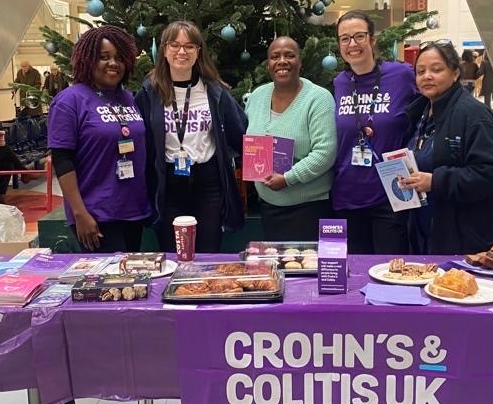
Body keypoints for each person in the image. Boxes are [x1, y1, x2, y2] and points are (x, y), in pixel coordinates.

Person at [135, 20, 247, 253]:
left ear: (198, 52)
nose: (181, 52)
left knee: (208, 252)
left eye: (189, 46)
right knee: (174, 252)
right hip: (168, 185)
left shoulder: (215, 91)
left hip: (208, 184)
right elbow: (140, 143)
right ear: (164, 50)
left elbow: (241, 134)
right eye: (174, 45)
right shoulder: (149, 92)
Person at [397, 40, 493, 254]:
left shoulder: (474, 115)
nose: (427, 76)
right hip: (426, 232)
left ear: (456, 73)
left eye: (437, 69)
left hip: (465, 241)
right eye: (420, 71)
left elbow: (492, 172)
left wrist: (436, 181)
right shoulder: (421, 112)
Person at [47, 26, 152, 252]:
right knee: (111, 282)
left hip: (132, 209)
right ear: (88, 60)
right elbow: (62, 159)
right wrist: (79, 213)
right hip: (95, 213)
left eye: (119, 57)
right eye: (104, 57)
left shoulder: (127, 97)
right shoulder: (69, 101)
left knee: (130, 279)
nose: (113, 63)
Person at [331, 11, 417, 255]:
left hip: (393, 193)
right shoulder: (340, 82)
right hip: (347, 193)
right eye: (345, 39)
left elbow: (429, 109)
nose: (352, 44)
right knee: (355, 273)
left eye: (359, 36)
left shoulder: (401, 75)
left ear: (373, 40)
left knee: (391, 273)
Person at [244, 37, 337, 241]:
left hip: (309, 209)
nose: (282, 61)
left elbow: (325, 153)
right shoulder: (257, 97)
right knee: (276, 268)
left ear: (300, 61)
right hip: (268, 208)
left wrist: (288, 179)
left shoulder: (318, 99)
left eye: (290, 55)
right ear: (268, 64)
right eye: (275, 56)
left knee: (307, 269)